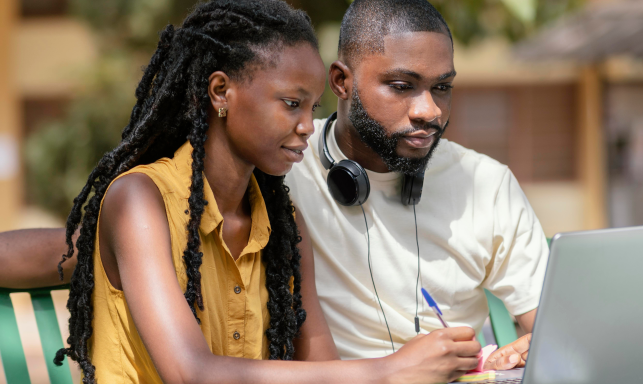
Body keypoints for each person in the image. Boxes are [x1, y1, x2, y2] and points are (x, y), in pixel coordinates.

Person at [1, 0, 544, 373]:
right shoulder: (173, 197)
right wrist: (389, 372)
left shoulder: (280, 216)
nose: (307, 126)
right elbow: (83, 247)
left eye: (442, 88)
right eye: (292, 104)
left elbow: (322, 365)